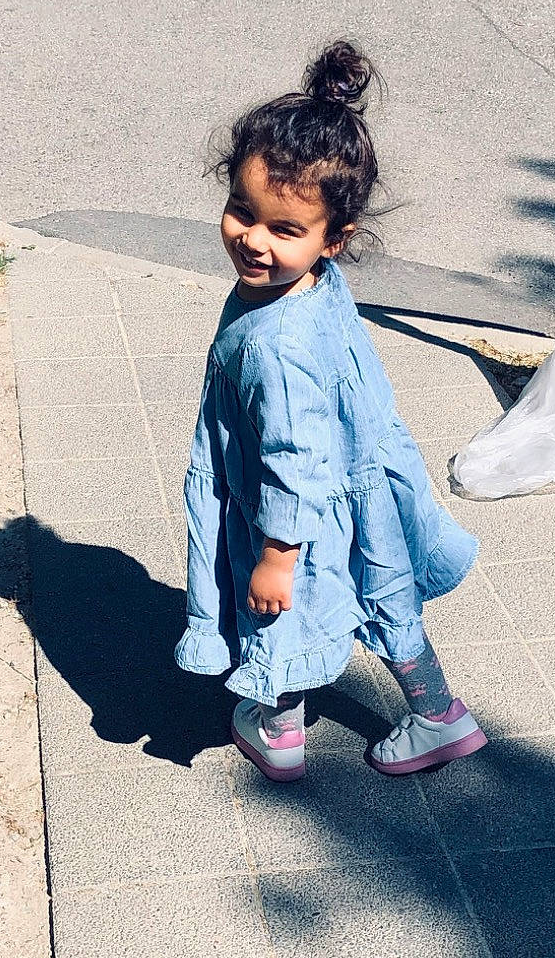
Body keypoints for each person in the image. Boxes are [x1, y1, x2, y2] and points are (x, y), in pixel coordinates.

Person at [175, 40, 488, 782]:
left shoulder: (274, 347)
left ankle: (277, 727)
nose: (254, 241)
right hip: (361, 484)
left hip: (292, 514)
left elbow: (293, 457)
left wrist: (276, 556)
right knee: (388, 596)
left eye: (285, 230)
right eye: (242, 212)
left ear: (332, 239)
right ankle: (439, 715)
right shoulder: (314, 284)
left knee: (279, 611)